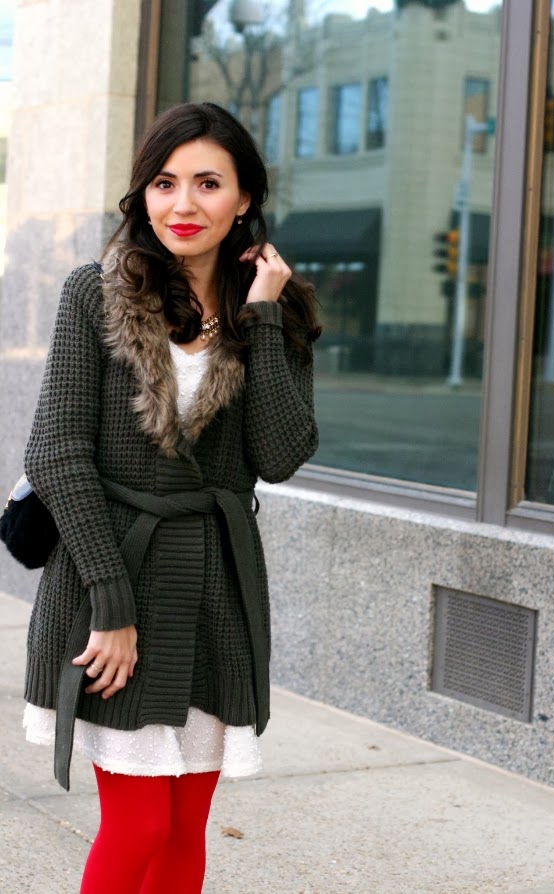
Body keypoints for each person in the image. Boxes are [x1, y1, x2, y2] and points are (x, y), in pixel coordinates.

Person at [21, 101, 320, 894]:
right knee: (140, 826)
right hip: (111, 576)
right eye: (164, 182)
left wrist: (262, 317)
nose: (183, 204)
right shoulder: (98, 294)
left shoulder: (276, 309)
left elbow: (280, 455)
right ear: (143, 194)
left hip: (216, 590)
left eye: (208, 184)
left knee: (186, 828)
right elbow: (56, 453)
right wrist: (111, 606)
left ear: (245, 197)